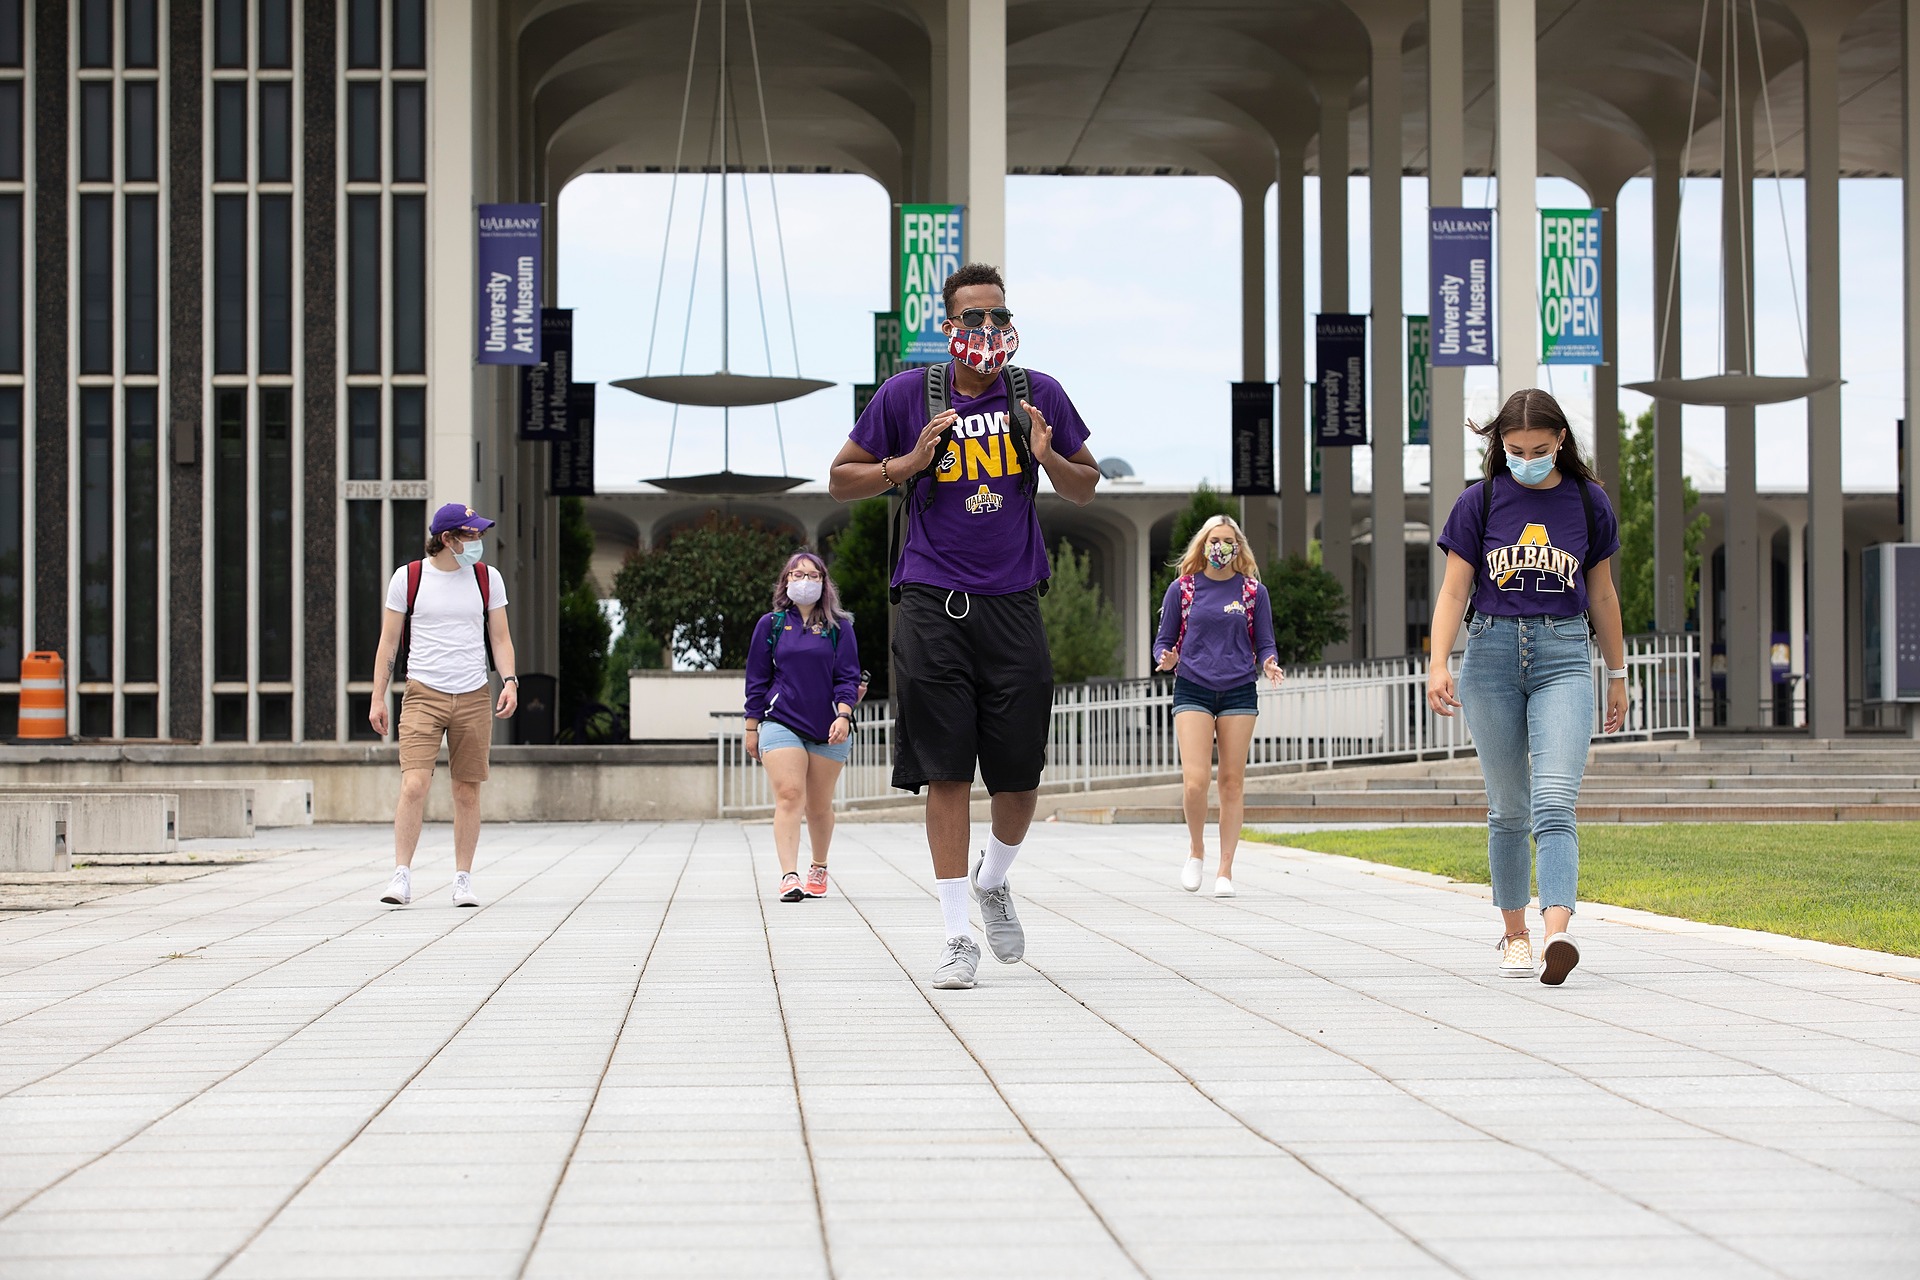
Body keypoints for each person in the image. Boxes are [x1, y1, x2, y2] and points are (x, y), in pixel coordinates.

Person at [829, 262, 1102, 990]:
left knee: (1018, 776)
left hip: (1014, 602)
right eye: (972, 319)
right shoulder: (906, 394)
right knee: (946, 768)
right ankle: (955, 936)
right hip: (930, 601)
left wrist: (1048, 457)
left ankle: (994, 878)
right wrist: (907, 462)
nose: (987, 331)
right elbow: (839, 476)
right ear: (947, 328)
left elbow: (1085, 484)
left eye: (998, 317)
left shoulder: (1036, 393)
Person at [1426, 389, 1626, 985]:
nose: (1527, 458)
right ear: (1499, 446)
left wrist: (1617, 672)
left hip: (1564, 654)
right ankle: (1513, 933)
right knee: (1509, 807)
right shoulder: (1480, 500)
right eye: (1515, 450)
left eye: (1540, 449)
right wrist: (1439, 661)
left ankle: (1555, 934)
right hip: (1489, 655)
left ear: (1561, 441)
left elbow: (1604, 595)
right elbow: (1454, 592)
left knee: (1555, 800)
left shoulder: (1588, 502)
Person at [369, 503, 519, 908]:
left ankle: (463, 879)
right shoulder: (409, 578)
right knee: (414, 784)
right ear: (448, 539)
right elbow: (388, 641)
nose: (478, 542)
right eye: (471, 536)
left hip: (473, 693)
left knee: (467, 790)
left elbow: (501, 638)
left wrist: (510, 681)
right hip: (423, 693)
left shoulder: (488, 579)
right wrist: (377, 696)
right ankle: (401, 874)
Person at [1152, 515, 1285, 898]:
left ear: (1238, 547)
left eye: (1228, 541)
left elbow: (1265, 642)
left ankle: (1225, 870)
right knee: (1195, 782)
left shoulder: (1253, 592)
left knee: (1231, 782)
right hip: (1192, 686)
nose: (1220, 547)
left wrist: (1270, 663)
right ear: (1203, 545)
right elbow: (1162, 640)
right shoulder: (1184, 588)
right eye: (1214, 540)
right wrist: (1166, 657)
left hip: (1239, 690)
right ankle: (1196, 850)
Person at [743, 551, 861, 902]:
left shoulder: (840, 627)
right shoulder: (772, 624)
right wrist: (752, 727)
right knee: (790, 794)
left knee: (819, 804)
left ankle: (818, 866)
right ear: (785, 582)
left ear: (824, 582)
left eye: (812, 575)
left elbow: (848, 677)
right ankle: (789, 875)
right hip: (781, 721)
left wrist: (843, 714)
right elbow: (757, 678)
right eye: (796, 574)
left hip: (828, 725)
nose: (804, 581)